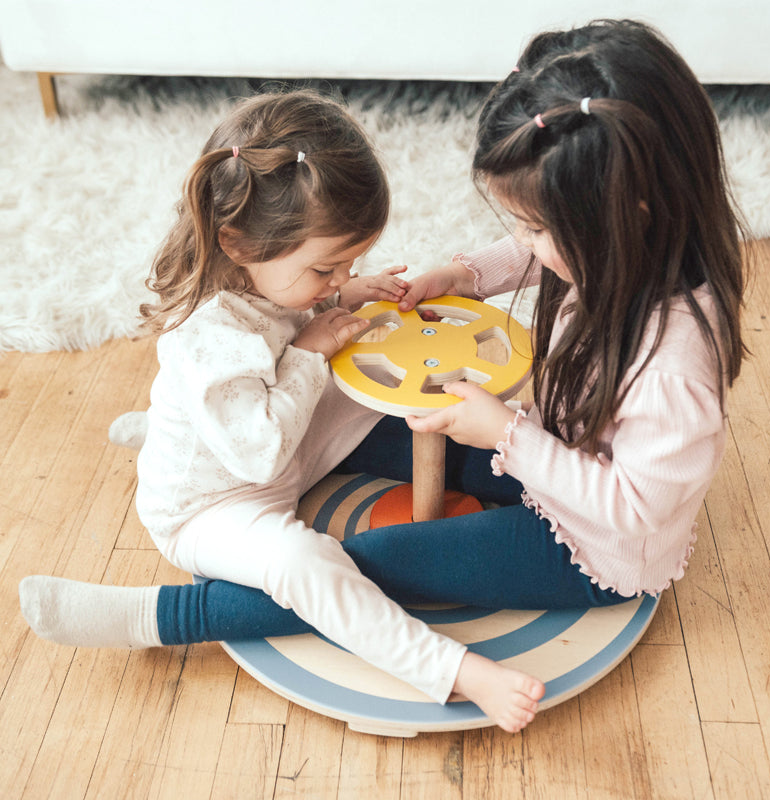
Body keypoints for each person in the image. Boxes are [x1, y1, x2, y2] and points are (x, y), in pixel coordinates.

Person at [22, 16, 747, 726]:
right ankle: (177, 436)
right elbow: (528, 254)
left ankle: (171, 615)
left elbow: (631, 510)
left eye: (535, 228)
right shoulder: (621, 242)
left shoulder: (674, 362)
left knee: (364, 564)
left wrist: (506, 433)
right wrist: (461, 275)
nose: (524, 245)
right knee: (390, 396)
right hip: (522, 454)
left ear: (624, 214)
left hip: (592, 545)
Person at [19, 89, 544, 734]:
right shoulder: (208, 337)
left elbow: (291, 315)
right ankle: (453, 672)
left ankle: (167, 423)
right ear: (237, 241)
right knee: (305, 566)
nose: (337, 278)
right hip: (216, 501)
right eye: (327, 266)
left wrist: (347, 295)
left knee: (383, 382)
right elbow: (262, 447)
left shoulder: (264, 272)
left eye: (346, 264)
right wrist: (307, 354)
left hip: (281, 444)